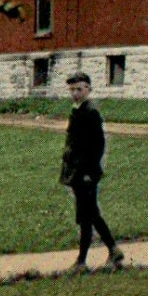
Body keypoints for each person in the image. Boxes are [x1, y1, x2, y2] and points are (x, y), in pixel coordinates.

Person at [61, 72, 124, 272]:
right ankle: (113, 250)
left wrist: (89, 172)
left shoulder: (91, 111)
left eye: (79, 89)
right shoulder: (78, 110)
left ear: (88, 89)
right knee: (90, 215)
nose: (75, 93)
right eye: (72, 90)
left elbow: (98, 145)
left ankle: (82, 261)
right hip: (76, 172)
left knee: (87, 216)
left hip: (85, 174)